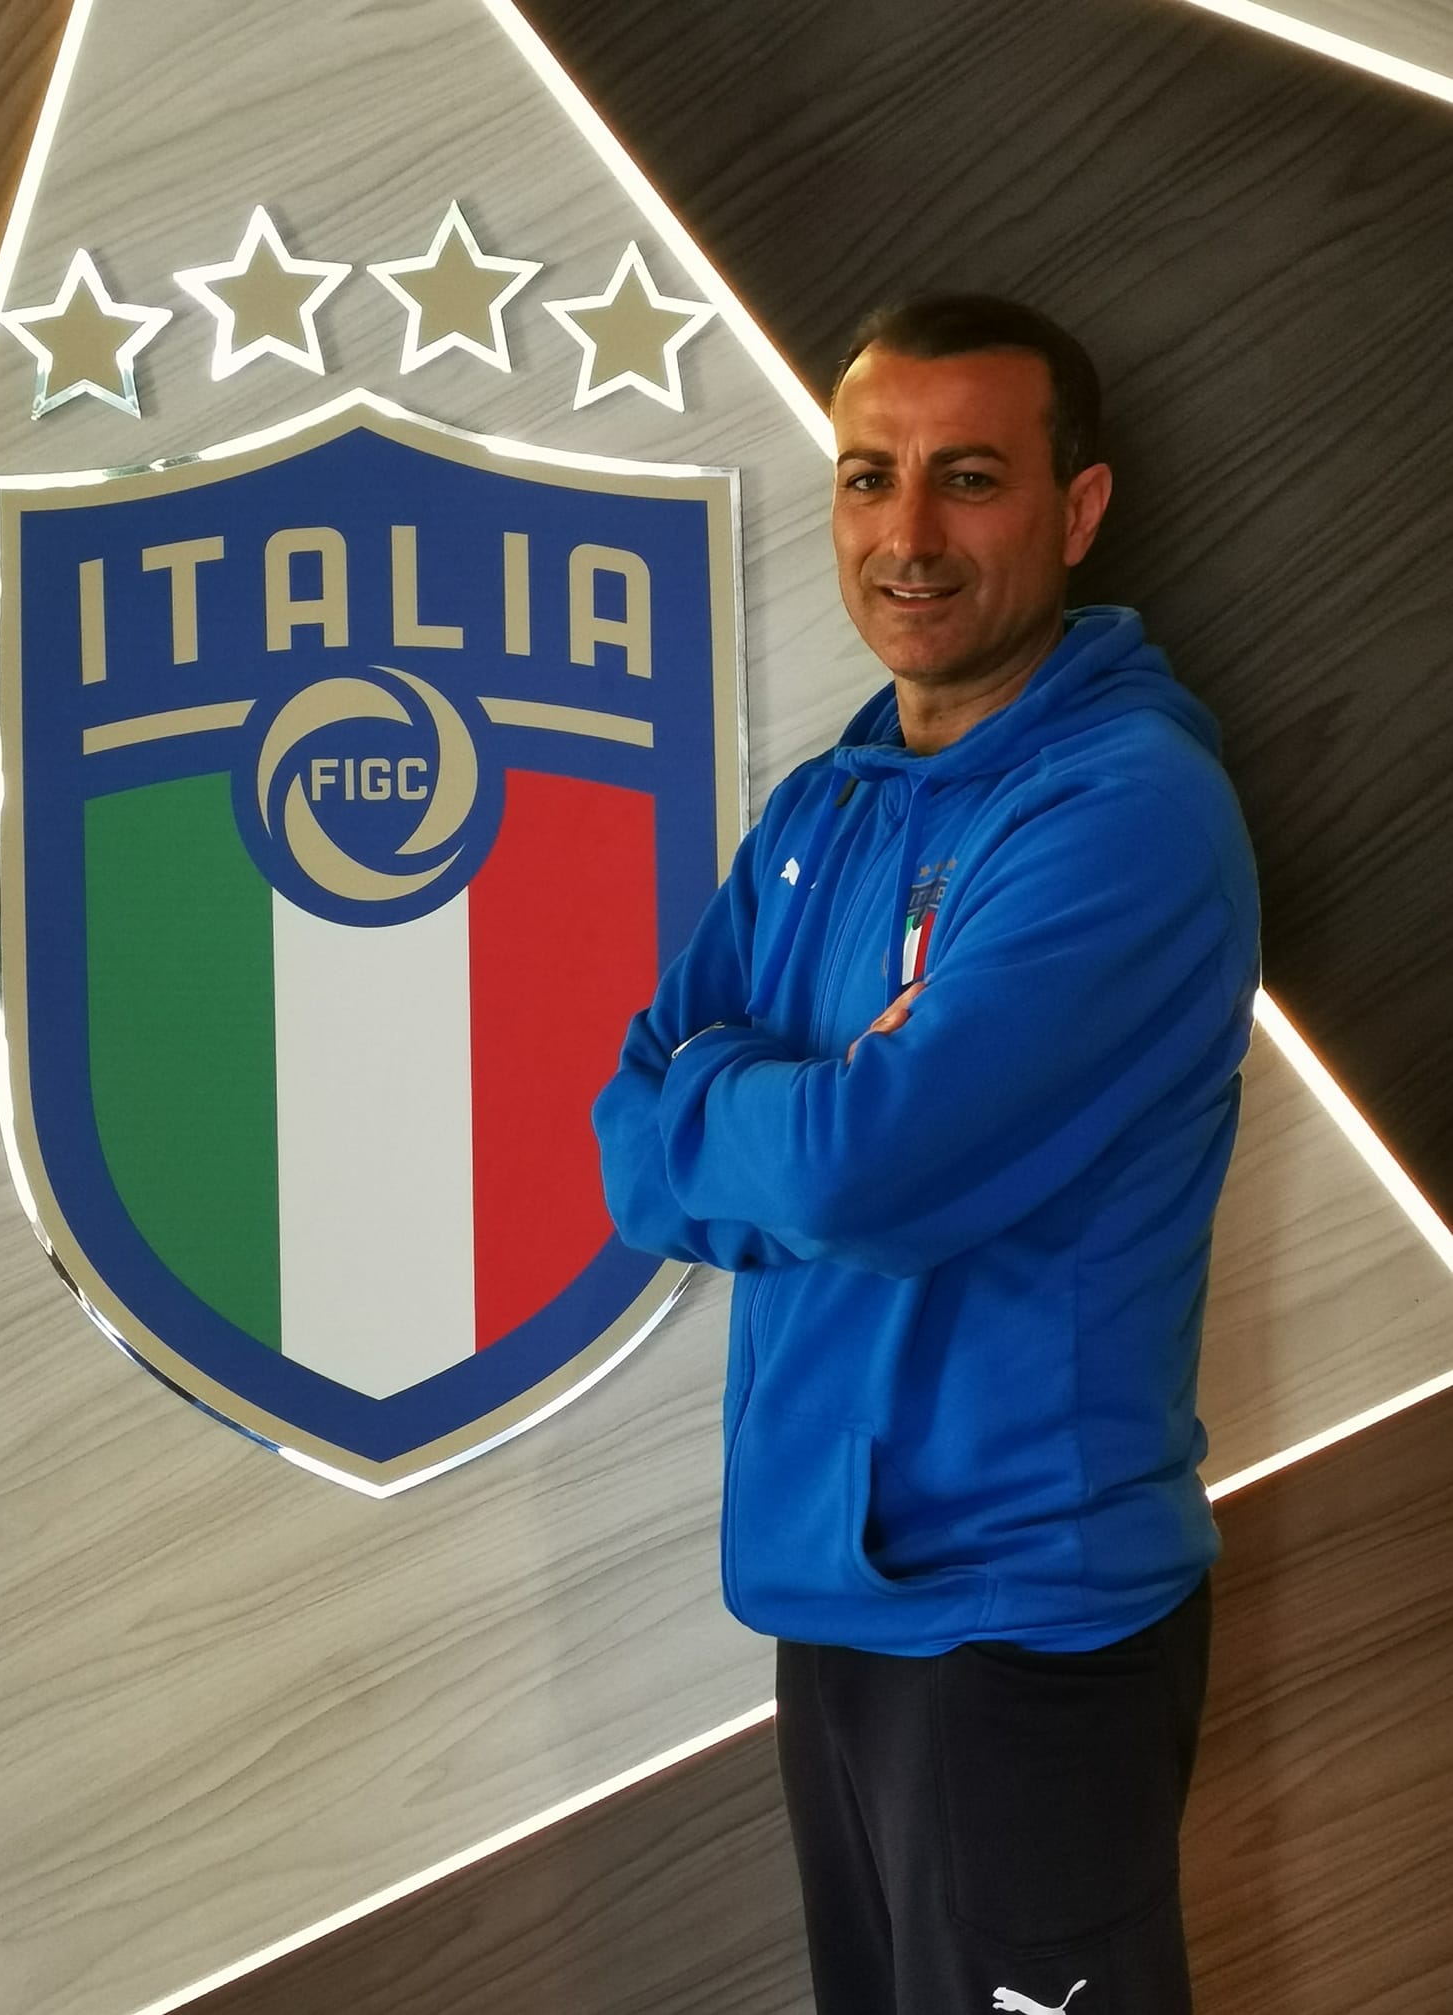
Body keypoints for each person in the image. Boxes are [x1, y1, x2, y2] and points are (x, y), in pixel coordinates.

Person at [593, 295, 1258, 2014]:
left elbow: (854, 1173)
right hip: (837, 1598)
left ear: (1077, 508)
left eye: (968, 478)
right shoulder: (828, 805)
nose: (907, 536)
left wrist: (772, 1105)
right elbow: (628, 1150)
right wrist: (787, 1098)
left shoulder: (1122, 811)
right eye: (867, 477)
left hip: (1026, 1627)